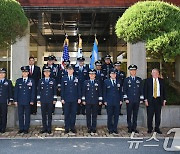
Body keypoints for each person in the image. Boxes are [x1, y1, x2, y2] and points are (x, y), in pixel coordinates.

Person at [144, 68, 166, 134]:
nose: (155, 74)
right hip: (150, 100)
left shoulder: (161, 81)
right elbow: (145, 91)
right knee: (150, 115)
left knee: (158, 115)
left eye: (156, 73)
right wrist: (145, 100)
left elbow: (164, 91)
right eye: (154, 73)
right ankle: (150, 128)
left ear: (158, 74)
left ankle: (157, 128)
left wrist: (164, 100)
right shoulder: (148, 81)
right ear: (151, 73)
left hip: (158, 100)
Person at [14, 66, 35, 134]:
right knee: (20, 115)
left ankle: (26, 128)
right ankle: (21, 128)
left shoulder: (31, 81)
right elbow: (16, 91)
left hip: (28, 101)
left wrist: (32, 100)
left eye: (26, 72)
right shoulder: (18, 81)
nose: (25, 73)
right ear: (22, 73)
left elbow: (33, 91)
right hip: (20, 101)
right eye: (23, 72)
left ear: (28, 73)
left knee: (27, 115)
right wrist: (15, 100)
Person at [123, 64, 144, 133]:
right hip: (129, 100)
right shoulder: (126, 80)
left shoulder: (139, 80)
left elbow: (141, 90)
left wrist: (141, 99)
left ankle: (134, 127)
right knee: (129, 114)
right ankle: (129, 127)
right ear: (129, 71)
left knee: (135, 114)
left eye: (134, 70)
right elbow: (124, 90)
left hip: (136, 99)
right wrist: (126, 98)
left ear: (136, 71)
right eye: (131, 70)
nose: (133, 71)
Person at [61, 64, 81, 134]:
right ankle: (67, 127)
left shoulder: (76, 78)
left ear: (73, 70)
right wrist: (62, 98)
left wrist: (79, 98)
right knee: (66, 113)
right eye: (68, 69)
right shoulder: (64, 78)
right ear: (67, 70)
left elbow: (78, 89)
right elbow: (62, 89)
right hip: (66, 99)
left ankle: (72, 127)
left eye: (71, 69)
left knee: (73, 113)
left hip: (74, 99)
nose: (70, 71)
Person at [37, 66, 57, 134]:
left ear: (50, 73)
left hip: (50, 100)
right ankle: (44, 127)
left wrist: (54, 99)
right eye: (45, 72)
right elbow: (38, 91)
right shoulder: (41, 81)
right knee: (43, 115)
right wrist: (38, 99)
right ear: (44, 73)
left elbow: (54, 91)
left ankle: (49, 128)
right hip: (43, 100)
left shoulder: (53, 81)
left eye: (48, 72)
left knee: (49, 114)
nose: (47, 73)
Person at [82, 69, 102, 133]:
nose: (92, 75)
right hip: (88, 101)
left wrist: (100, 100)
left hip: (95, 101)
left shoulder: (98, 82)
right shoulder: (86, 82)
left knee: (94, 115)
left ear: (95, 75)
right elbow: (83, 92)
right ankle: (89, 127)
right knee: (88, 115)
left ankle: (93, 127)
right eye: (91, 74)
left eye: (93, 74)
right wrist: (83, 100)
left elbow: (100, 92)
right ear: (89, 75)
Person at [103, 69, 123, 134]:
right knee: (110, 115)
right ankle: (110, 128)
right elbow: (104, 92)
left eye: (114, 74)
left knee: (116, 115)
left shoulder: (119, 81)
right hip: (109, 101)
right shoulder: (106, 81)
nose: (113, 75)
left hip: (117, 101)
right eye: (112, 74)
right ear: (110, 75)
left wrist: (121, 100)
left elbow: (120, 92)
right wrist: (105, 100)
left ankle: (115, 128)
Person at [0, 68, 13, 133]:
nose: (1, 74)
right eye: (0, 73)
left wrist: (10, 100)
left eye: (3, 73)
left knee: (4, 115)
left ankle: (3, 128)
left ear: (5, 74)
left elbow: (10, 91)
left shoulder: (8, 82)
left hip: (4, 101)